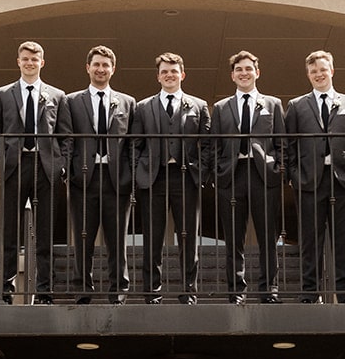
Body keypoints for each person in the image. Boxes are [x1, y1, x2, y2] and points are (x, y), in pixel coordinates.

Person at [0, 41, 69, 303]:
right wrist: (0, 164)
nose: (30, 63)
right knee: (9, 233)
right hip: (14, 166)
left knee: (45, 233)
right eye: (25, 59)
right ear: (18, 61)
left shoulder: (57, 96)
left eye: (34, 59)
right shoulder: (3, 94)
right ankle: (6, 291)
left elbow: (66, 136)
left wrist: (61, 164)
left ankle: (44, 291)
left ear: (42, 62)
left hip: (45, 169)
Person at [285, 50, 345, 302]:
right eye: (313, 71)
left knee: (344, 239)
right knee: (310, 238)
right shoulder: (297, 106)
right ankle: (311, 291)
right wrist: (294, 175)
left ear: (331, 70)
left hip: (343, 180)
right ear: (308, 75)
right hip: (309, 181)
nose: (318, 74)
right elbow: (288, 145)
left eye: (322, 69)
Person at [129, 52, 211, 303]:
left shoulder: (198, 105)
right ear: (158, 76)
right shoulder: (143, 107)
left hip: (186, 178)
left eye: (174, 71)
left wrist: (201, 170)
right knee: (153, 239)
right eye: (164, 71)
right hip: (153, 179)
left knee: (187, 238)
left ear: (182, 74)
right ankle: (152, 293)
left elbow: (207, 144)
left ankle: (188, 292)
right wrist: (138, 171)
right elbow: (135, 144)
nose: (169, 75)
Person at [210, 50, 286, 303]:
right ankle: (236, 291)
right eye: (239, 70)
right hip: (232, 176)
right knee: (233, 238)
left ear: (257, 72)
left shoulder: (273, 104)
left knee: (268, 235)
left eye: (248, 69)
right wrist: (217, 172)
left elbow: (281, 142)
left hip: (264, 175)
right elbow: (214, 145)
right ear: (232, 75)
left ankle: (268, 289)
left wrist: (279, 168)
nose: (244, 73)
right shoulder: (221, 108)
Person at [63, 46, 136, 303]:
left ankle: (118, 290)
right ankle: (83, 289)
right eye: (96, 64)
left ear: (113, 69)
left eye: (106, 65)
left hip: (117, 179)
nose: (101, 69)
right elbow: (67, 139)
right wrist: (70, 171)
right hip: (84, 178)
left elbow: (133, 144)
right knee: (83, 237)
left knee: (117, 239)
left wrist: (130, 174)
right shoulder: (72, 101)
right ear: (88, 67)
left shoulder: (128, 102)